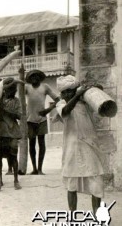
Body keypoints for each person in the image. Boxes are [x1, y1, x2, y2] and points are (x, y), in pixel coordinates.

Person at [55, 75, 105, 215]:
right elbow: (65, 112)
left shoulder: (85, 102)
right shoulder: (61, 104)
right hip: (72, 149)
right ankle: (72, 216)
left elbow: (100, 93)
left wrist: (91, 88)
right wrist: (77, 96)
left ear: (74, 90)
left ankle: (97, 217)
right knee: (71, 185)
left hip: (89, 146)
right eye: (63, 92)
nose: (63, 95)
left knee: (96, 182)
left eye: (67, 92)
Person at [25, 69, 60, 175]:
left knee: (41, 144)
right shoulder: (27, 87)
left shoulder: (45, 87)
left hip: (42, 120)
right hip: (30, 120)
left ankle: (40, 169)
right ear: (29, 79)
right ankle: (34, 169)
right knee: (31, 145)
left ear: (40, 78)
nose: (34, 78)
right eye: (32, 77)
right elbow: (20, 95)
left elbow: (58, 99)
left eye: (36, 76)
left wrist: (48, 110)